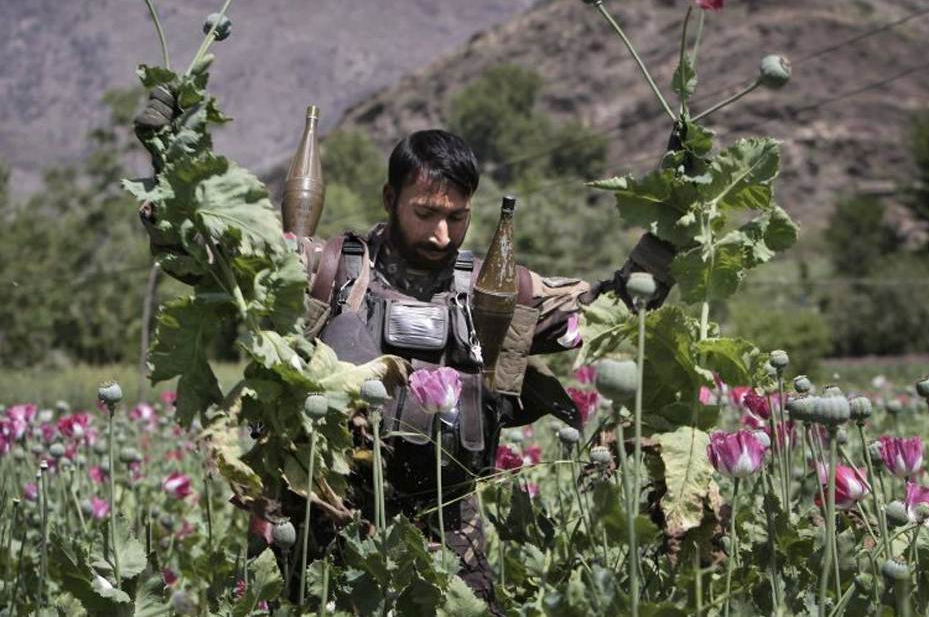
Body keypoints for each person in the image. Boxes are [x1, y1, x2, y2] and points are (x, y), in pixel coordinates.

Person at [136, 99, 676, 609]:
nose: (442, 234)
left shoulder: (498, 291)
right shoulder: (324, 273)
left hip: (448, 529)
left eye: (458, 218)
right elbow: (201, 256)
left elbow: (618, 305)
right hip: (321, 522)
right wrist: (168, 158)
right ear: (390, 199)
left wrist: (672, 213)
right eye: (425, 213)